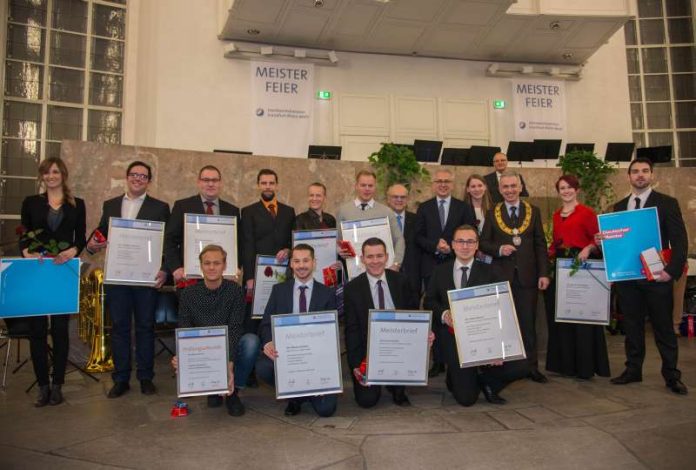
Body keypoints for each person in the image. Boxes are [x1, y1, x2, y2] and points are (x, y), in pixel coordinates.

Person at [86, 161, 170, 398]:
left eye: (143, 176)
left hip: (145, 279)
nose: (138, 179)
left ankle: (145, 377)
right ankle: (121, 378)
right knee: (120, 328)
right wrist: (92, 246)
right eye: (134, 175)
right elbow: (101, 233)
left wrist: (164, 269)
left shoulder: (160, 207)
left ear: (149, 181)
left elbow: (166, 242)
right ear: (127, 177)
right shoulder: (111, 204)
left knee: (145, 327)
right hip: (118, 278)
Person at [424, 225, 529, 406]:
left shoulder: (491, 271)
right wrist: (444, 314)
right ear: (453, 244)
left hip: (486, 337)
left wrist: (498, 348)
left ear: (477, 245)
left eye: (470, 242)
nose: (465, 246)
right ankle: (456, 375)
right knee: (467, 399)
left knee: (522, 366)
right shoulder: (440, 271)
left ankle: (488, 382)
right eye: (460, 241)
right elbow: (429, 301)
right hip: (453, 340)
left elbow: (502, 309)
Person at [609, 158, 688, 395]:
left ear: (652, 175)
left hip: (658, 278)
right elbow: (618, 241)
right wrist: (605, 242)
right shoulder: (619, 207)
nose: (640, 175)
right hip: (629, 279)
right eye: (635, 172)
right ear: (629, 176)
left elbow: (680, 241)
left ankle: (672, 375)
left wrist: (670, 272)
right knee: (632, 327)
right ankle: (633, 370)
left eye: (645, 171)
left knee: (663, 328)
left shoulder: (667, 203)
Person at [19, 157, 86, 407]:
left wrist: (73, 251)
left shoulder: (77, 204)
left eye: (55, 172)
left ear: (63, 175)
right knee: (37, 331)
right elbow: (24, 233)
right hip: (37, 270)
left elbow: (80, 237)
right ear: (42, 176)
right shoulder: (30, 203)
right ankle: (42, 386)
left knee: (60, 331)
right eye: (46, 173)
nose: (51, 176)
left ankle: (57, 385)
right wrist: (26, 251)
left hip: (62, 271)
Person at [172, 245, 260, 416]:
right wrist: (181, 356)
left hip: (228, 344)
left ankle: (232, 391)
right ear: (201, 266)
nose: (212, 267)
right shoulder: (188, 294)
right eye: (207, 263)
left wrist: (229, 365)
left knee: (251, 342)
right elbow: (184, 329)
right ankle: (213, 388)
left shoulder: (235, 291)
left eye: (217, 263)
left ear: (224, 266)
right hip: (202, 349)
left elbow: (235, 329)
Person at [479, 171, 549, 383]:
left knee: (528, 325)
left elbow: (540, 245)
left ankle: (531, 367)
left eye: (513, 186)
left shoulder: (533, 211)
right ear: (499, 190)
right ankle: (507, 368)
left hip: (528, 277)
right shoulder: (492, 213)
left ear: (520, 187)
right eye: (505, 187)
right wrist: (499, 249)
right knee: (504, 325)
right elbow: (483, 243)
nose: (509, 190)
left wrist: (544, 273)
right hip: (501, 277)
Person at [257, 244, 337, 417]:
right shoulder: (279, 290)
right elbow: (265, 323)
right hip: (287, 354)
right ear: (291, 264)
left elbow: (332, 333)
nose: (301, 265)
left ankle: (302, 392)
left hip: (317, 358)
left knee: (326, 410)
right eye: (297, 261)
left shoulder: (327, 293)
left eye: (306, 260)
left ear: (314, 263)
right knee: (263, 367)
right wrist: (269, 342)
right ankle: (295, 395)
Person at [544, 175, 610, 380]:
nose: (566, 191)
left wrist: (588, 248)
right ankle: (566, 366)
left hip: (582, 267)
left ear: (577, 190)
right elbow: (556, 243)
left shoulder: (587, 213)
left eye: (569, 187)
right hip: (562, 268)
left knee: (582, 317)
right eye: (562, 188)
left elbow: (598, 239)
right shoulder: (556, 215)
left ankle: (584, 366)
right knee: (563, 315)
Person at [343, 238, 420, 408]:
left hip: (399, 348)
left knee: (399, 393)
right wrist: (356, 364)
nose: (375, 261)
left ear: (387, 257)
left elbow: (413, 316)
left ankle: (397, 387)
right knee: (367, 401)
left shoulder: (402, 281)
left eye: (379, 256)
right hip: (367, 351)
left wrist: (422, 336)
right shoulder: (352, 289)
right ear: (362, 259)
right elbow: (352, 330)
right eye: (370, 257)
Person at [414, 169, 476, 377]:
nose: (442, 184)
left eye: (446, 181)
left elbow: (471, 232)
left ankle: (463, 355)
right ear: (433, 184)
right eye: (439, 181)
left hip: (456, 265)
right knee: (437, 313)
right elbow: (418, 236)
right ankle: (438, 361)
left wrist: (452, 246)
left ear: (452, 184)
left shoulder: (463, 207)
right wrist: (434, 245)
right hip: (431, 268)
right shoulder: (424, 208)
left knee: (459, 311)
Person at [164, 165, 241, 284]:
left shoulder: (232, 211)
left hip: (223, 281)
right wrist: (176, 268)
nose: (210, 184)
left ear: (220, 183)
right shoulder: (182, 206)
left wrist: (235, 267)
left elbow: (238, 244)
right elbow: (169, 240)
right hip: (190, 279)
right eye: (206, 180)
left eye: (215, 180)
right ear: (199, 182)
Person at [241, 169, 296, 295]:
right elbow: (247, 245)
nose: (267, 187)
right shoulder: (248, 212)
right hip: (257, 273)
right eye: (264, 183)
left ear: (277, 185)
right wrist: (249, 277)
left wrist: (288, 250)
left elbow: (292, 241)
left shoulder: (289, 211)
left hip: (283, 271)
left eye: (271, 183)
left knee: (281, 309)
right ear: (258, 185)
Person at [336, 170, 404, 271]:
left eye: (370, 185)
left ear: (375, 187)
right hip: (354, 270)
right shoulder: (344, 210)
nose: (367, 189)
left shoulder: (386, 212)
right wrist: (339, 250)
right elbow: (337, 240)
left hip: (382, 270)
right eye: (363, 185)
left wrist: (396, 263)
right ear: (356, 186)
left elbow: (399, 239)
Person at [386, 183, 419, 292]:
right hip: (388, 273)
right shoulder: (382, 221)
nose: (399, 200)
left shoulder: (417, 220)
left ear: (407, 199)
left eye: (403, 197)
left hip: (412, 277)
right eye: (395, 197)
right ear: (388, 199)